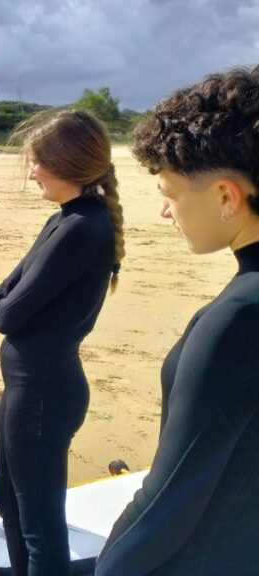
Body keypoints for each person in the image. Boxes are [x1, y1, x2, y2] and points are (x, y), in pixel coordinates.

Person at [0, 109, 124, 576]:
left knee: (40, 527)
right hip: (32, 389)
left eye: (37, 162)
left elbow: (11, 314)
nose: (32, 171)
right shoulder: (67, 219)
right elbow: (5, 289)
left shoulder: (81, 229)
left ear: (67, 162)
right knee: (7, 496)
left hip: (44, 393)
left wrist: (9, 303)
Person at [96, 67, 259, 576]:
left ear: (227, 197)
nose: (166, 212)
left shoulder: (238, 320)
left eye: (169, 192)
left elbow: (165, 504)